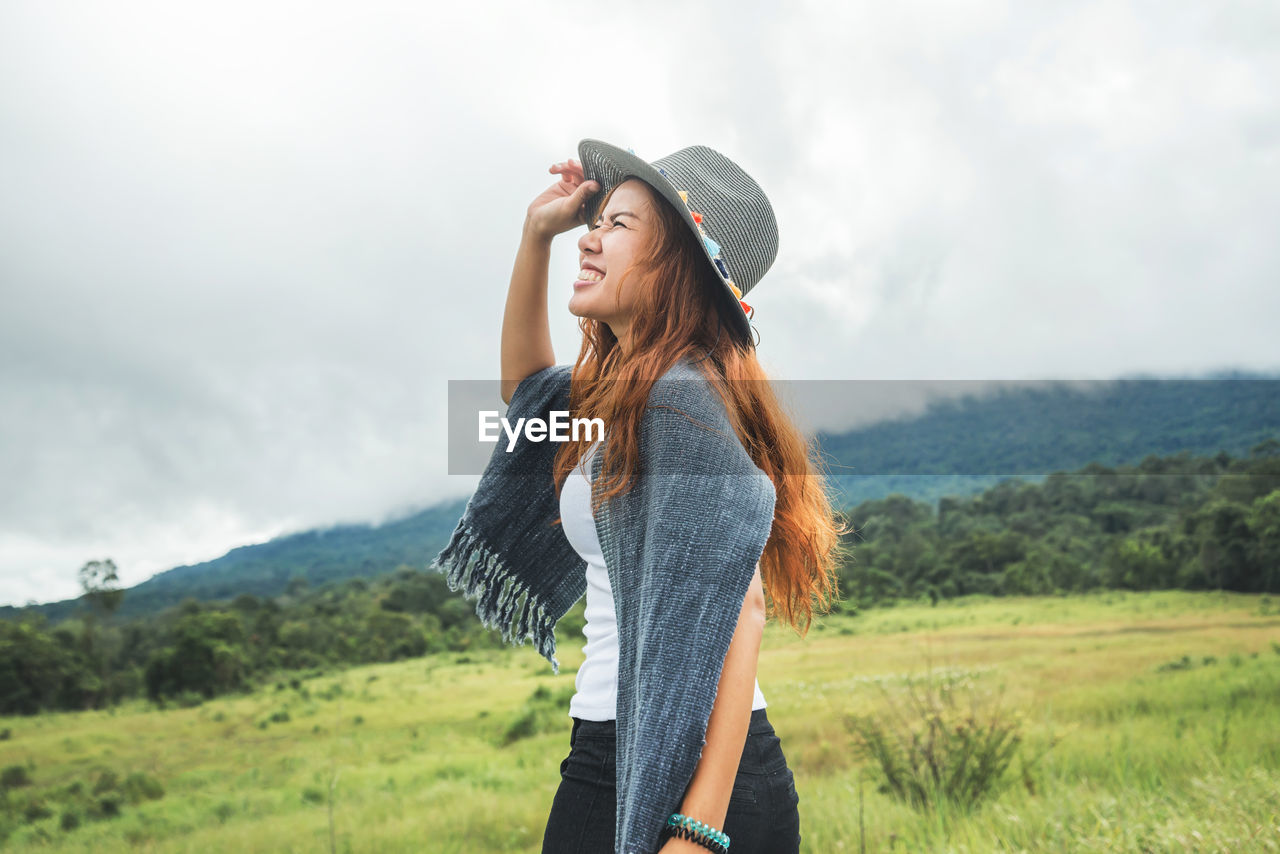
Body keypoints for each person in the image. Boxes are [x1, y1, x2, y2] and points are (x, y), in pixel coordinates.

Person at [432, 139, 844, 854]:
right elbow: (528, 395)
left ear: (677, 268)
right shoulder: (625, 396)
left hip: (689, 773)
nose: (590, 239)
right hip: (619, 748)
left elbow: (741, 608)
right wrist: (537, 237)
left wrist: (697, 831)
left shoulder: (679, 405)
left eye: (617, 226)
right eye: (598, 221)